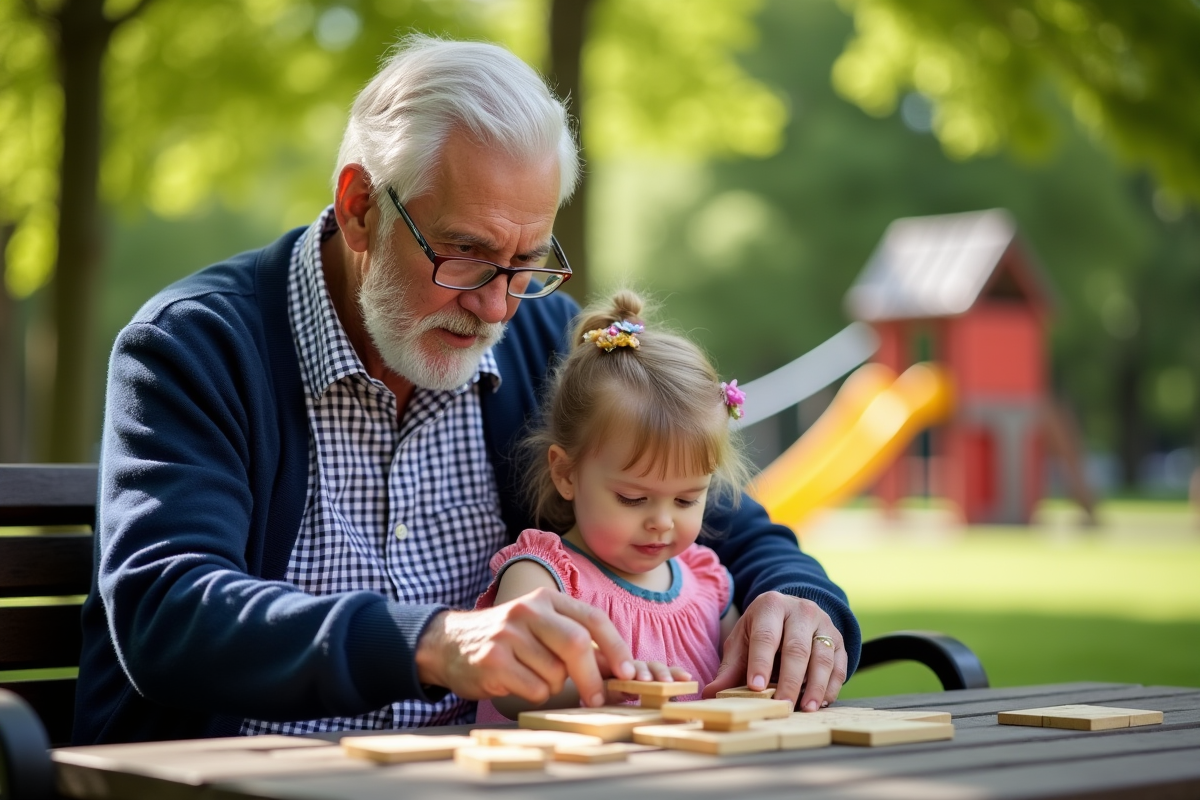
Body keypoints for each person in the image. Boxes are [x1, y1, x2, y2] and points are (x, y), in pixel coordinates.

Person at [74, 34, 860, 746]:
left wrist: (795, 600)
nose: (496, 306)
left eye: (527, 262)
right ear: (359, 209)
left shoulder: (544, 345)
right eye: (465, 253)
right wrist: (434, 642)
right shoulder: (195, 346)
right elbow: (169, 610)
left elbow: (726, 521)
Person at [473, 290, 753, 721]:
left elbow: (741, 677)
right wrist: (604, 682)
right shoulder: (543, 576)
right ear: (566, 474)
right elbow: (507, 686)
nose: (661, 522)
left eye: (687, 499)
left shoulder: (707, 582)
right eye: (633, 498)